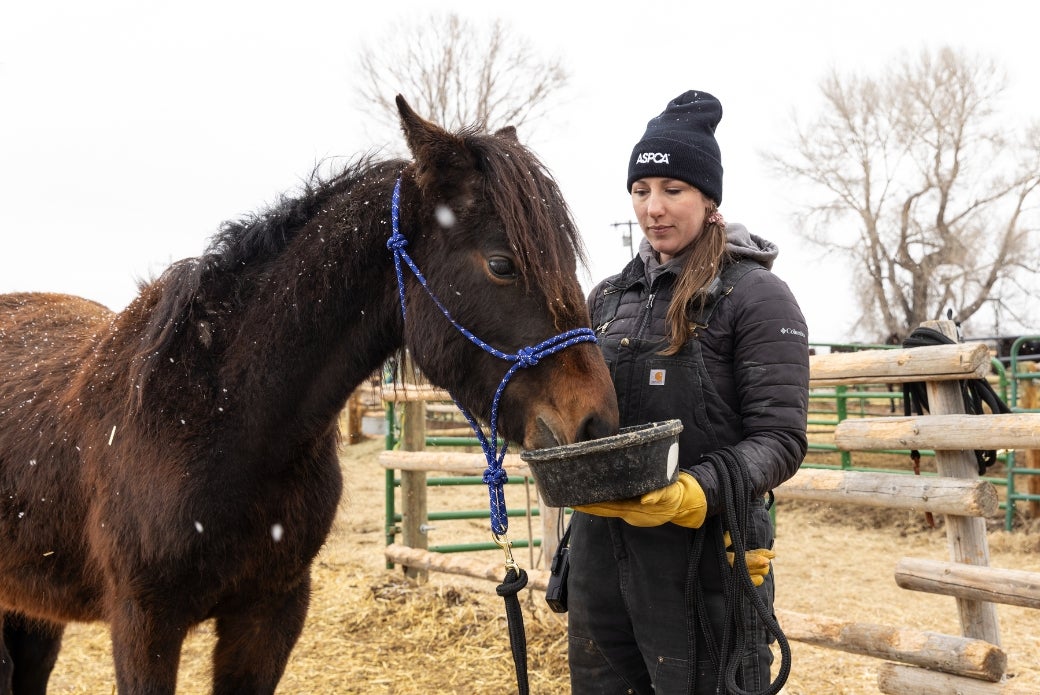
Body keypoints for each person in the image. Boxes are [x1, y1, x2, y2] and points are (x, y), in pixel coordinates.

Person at [566, 89, 810, 694]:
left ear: (709, 199)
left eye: (673, 190)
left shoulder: (755, 297)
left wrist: (697, 492)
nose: (654, 208)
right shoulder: (605, 299)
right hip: (603, 557)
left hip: (706, 557)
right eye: (641, 191)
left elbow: (781, 438)